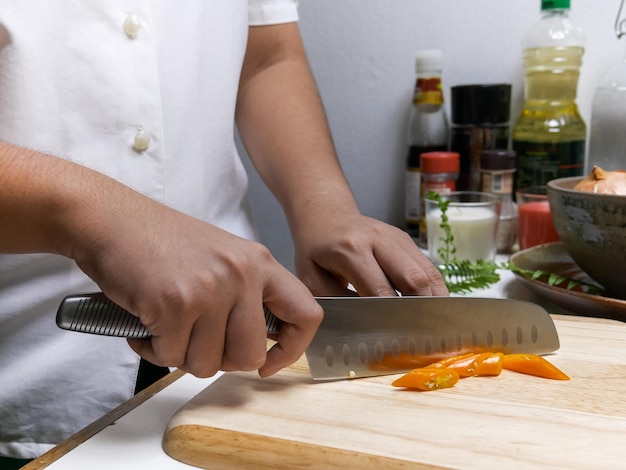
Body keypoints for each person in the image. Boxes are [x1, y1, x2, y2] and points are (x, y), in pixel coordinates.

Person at [0, 0, 447, 464]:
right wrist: (99, 220)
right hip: (26, 375)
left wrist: (325, 207)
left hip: (235, 353)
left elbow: (267, 56)